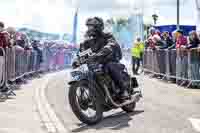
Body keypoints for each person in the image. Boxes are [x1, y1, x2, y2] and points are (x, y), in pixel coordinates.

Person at [72, 17, 129, 99]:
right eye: (88, 27)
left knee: (110, 66)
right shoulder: (87, 41)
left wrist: (100, 53)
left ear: (98, 27)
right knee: (87, 72)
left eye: (91, 26)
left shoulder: (107, 36)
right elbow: (83, 52)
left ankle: (123, 90)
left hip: (110, 60)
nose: (89, 29)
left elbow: (111, 45)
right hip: (96, 63)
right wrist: (77, 60)